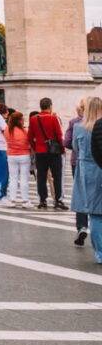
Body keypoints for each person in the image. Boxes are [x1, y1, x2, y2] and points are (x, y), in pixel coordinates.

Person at [70, 97, 102, 264]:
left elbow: (75, 148)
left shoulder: (78, 127)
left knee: (95, 213)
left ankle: (100, 252)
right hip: (99, 167)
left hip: (86, 171)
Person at [31, 97, 67, 211]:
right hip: (53, 152)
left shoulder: (33, 119)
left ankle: (42, 200)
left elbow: (30, 137)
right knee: (57, 176)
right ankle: (57, 200)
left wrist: (35, 147)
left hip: (40, 152)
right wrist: (62, 149)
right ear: (50, 106)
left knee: (41, 177)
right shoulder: (53, 118)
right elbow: (59, 135)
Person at [6, 109, 34, 209]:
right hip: (24, 155)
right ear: (20, 120)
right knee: (24, 178)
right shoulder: (25, 131)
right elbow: (30, 143)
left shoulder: (7, 130)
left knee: (13, 178)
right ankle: (25, 200)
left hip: (11, 156)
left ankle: (12, 199)